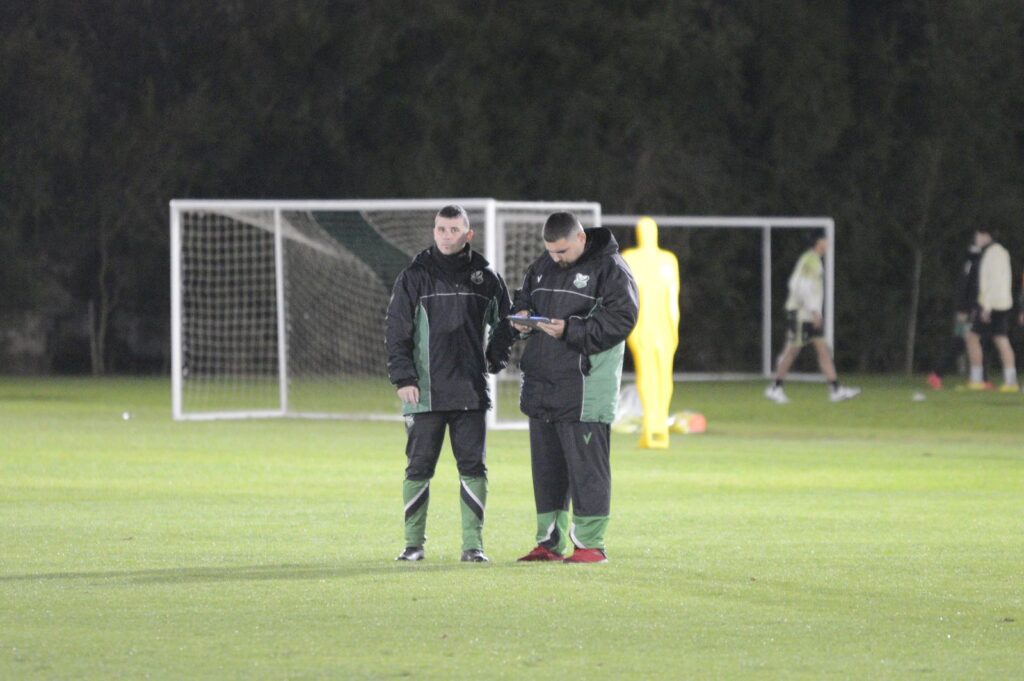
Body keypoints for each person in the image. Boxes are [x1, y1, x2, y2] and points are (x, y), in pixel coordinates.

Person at [384, 204, 513, 563]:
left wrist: (495, 356)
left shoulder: (486, 277)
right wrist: (403, 376)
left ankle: (473, 547)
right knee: (418, 469)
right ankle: (413, 545)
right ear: (434, 231)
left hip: (470, 392)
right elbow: (396, 329)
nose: (445, 235)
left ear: (468, 234)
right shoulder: (414, 276)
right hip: (424, 393)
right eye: (441, 228)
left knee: (473, 469)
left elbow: (507, 321)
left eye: (453, 229)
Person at [510, 211, 638, 564]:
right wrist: (521, 316)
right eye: (551, 251)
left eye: (562, 251)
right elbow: (524, 297)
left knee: (587, 469)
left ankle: (591, 545)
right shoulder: (543, 265)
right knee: (547, 470)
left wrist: (571, 330)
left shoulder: (611, 269)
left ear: (581, 238)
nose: (556, 258)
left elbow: (622, 319)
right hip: (542, 384)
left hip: (585, 387)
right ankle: (548, 543)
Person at [764, 230, 860, 404]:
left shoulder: (813, 260)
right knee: (791, 351)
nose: (828, 243)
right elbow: (800, 286)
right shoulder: (810, 260)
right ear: (818, 242)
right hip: (802, 314)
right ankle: (775, 387)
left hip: (809, 314)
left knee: (823, 351)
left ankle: (835, 390)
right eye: (825, 239)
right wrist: (814, 311)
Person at [620, 217, 680, 449]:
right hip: (648, 325)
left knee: (658, 374)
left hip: (653, 325)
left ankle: (657, 425)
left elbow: (671, 299)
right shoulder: (637, 258)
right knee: (653, 373)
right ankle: (654, 425)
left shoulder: (660, 259)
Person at [964, 227, 1017, 392]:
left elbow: (992, 281)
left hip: (991, 304)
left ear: (986, 236)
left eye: (979, 235)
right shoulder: (1001, 252)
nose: (976, 239)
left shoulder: (992, 254)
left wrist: (986, 307)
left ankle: (977, 379)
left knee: (971, 337)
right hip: (1002, 303)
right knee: (1001, 339)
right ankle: (1011, 382)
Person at [926, 241, 984, 390]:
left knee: (964, 342)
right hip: (968, 312)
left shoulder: (970, 265)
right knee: (962, 342)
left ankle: (938, 374)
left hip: (968, 310)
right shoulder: (972, 266)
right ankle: (937, 374)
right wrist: (963, 310)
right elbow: (964, 289)